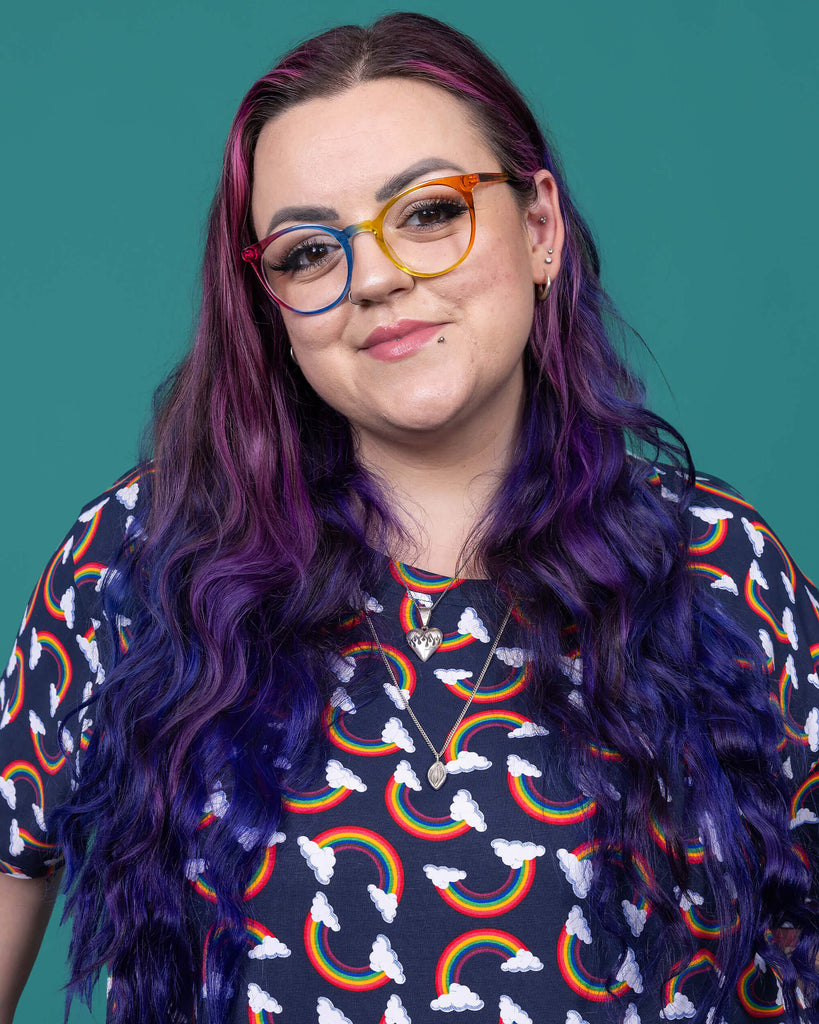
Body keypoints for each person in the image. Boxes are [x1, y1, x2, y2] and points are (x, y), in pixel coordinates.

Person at [1, 12, 818, 1024]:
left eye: (429, 212)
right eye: (309, 251)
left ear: (541, 230)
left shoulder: (720, 569)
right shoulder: (139, 566)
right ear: (271, 304)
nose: (379, 278)